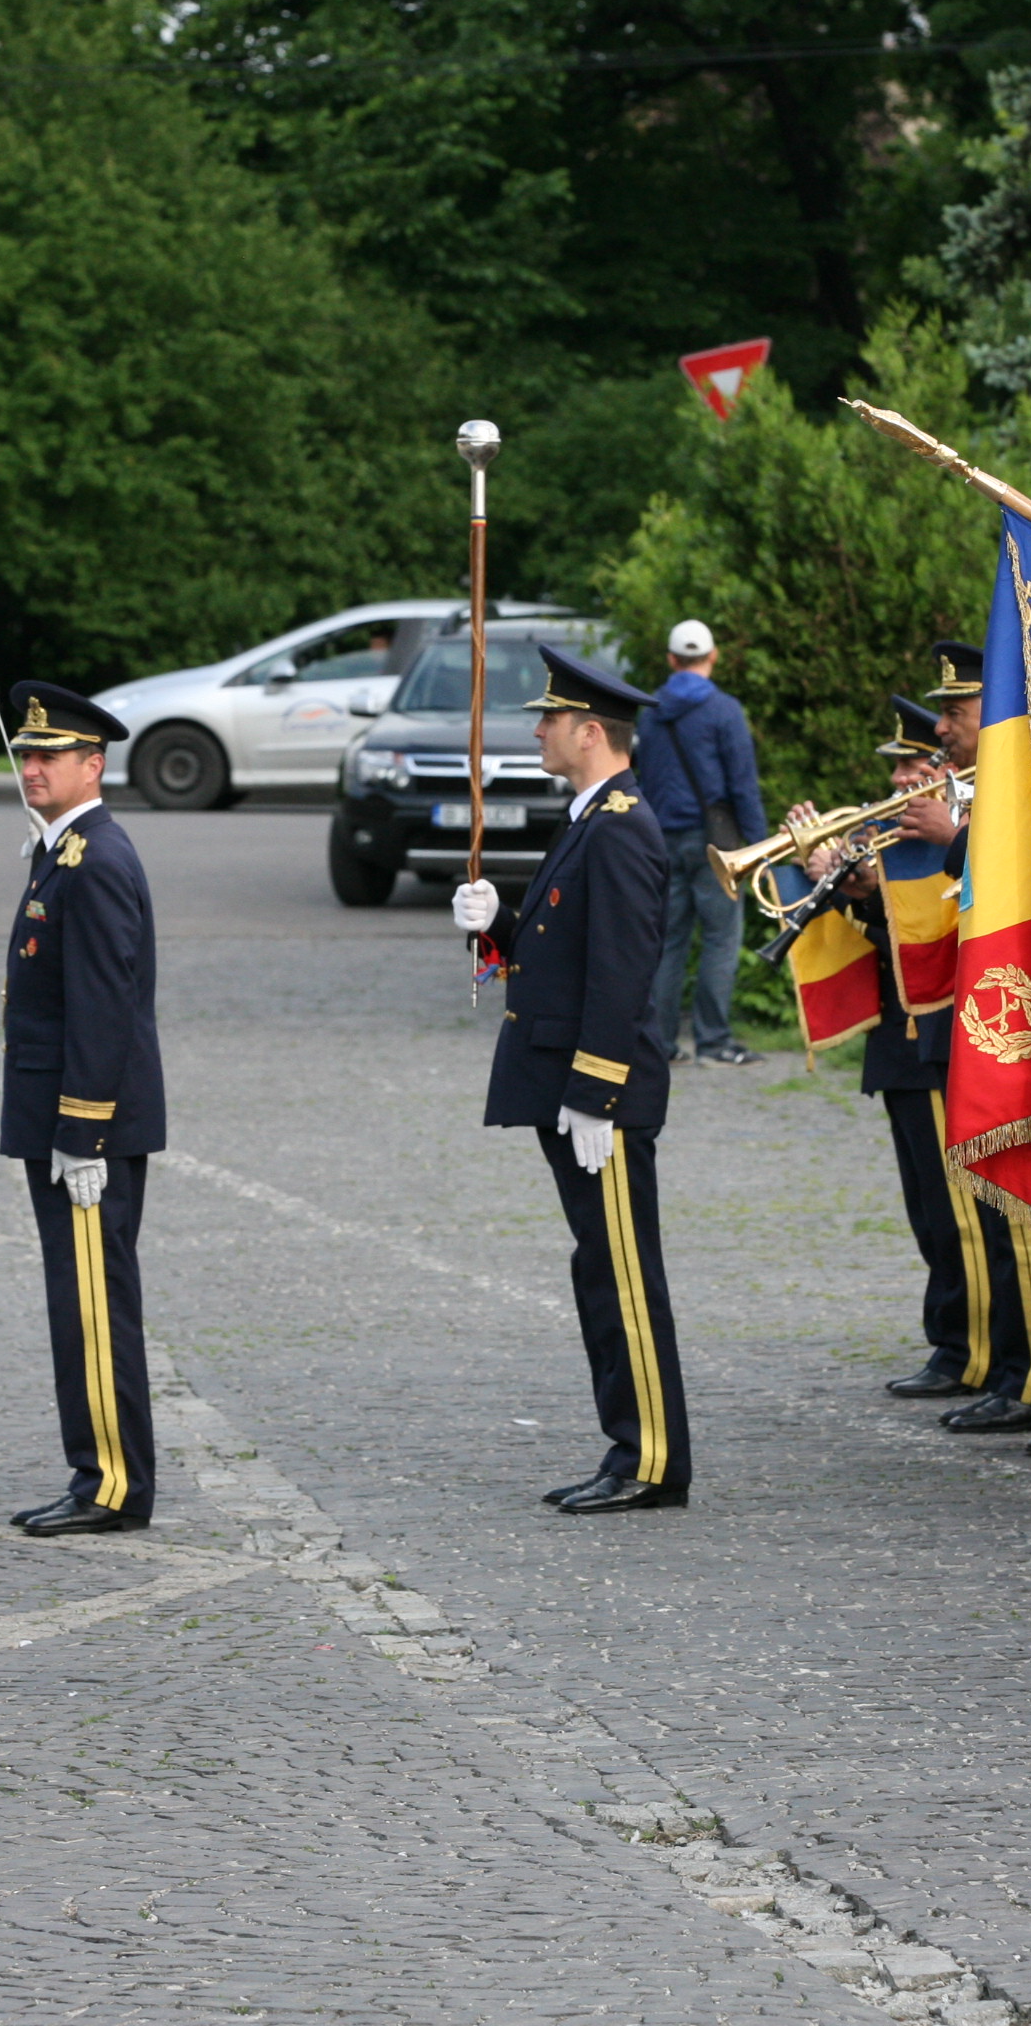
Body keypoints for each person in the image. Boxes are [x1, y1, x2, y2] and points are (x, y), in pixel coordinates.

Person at [453, 644, 690, 1511]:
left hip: (601, 1096)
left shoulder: (621, 825)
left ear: (591, 732)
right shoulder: (593, 815)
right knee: (601, 1270)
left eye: (550, 719)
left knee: (623, 1274)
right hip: (572, 1086)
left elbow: (621, 973)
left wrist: (595, 1091)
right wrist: (500, 925)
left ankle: (653, 1459)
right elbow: (566, 951)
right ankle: (630, 1451)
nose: (540, 730)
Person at [896, 640, 1031, 1441]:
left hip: (1020, 1026)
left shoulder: (1024, 789)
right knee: (985, 1217)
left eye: (956, 712)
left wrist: (953, 834)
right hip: (970, 1020)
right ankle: (1012, 1364)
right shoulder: (967, 792)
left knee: (1024, 1216)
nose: (942, 728)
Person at [0, 682, 169, 1536]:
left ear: (92, 765)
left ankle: (110, 1482)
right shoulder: (63, 849)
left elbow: (103, 1007)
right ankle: (99, 1469)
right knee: (80, 1298)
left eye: (49, 756)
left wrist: (81, 1130)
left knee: (94, 1302)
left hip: (83, 1125)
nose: (31, 767)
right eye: (25, 754)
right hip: (64, 1117)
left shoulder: (93, 860)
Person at [797, 698, 997, 1406]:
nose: (904, 780)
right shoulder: (895, 837)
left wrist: (880, 887)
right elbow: (877, 935)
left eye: (917, 764)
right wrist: (837, 879)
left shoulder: (958, 831)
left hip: (945, 1033)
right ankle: (953, 1338)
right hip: (898, 1039)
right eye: (900, 767)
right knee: (925, 1206)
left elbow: (948, 936)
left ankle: (975, 1345)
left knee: (958, 1210)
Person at [635, 619, 770, 1066]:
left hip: (660, 840)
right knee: (720, 940)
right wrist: (760, 845)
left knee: (668, 942)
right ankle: (714, 1042)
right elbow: (742, 785)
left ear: (672, 660)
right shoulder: (724, 710)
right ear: (713, 657)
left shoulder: (650, 711)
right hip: (716, 844)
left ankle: (661, 1044)